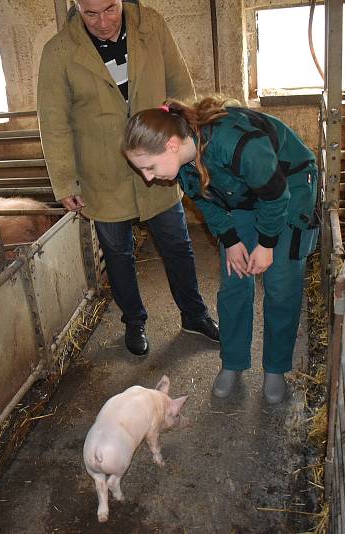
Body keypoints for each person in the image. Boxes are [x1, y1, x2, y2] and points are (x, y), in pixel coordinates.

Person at [37, 0, 219, 357]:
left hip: (158, 159)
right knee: (117, 253)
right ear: (76, 7)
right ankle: (134, 320)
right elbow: (53, 123)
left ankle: (194, 314)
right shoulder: (58, 52)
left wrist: (188, 144)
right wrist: (65, 180)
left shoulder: (151, 25)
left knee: (177, 244)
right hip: (101, 170)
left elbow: (179, 85)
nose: (102, 22)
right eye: (90, 14)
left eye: (110, 8)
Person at [122, 97, 319, 402]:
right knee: (234, 280)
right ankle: (233, 361)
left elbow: (275, 194)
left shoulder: (235, 143)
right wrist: (231, 240)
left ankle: (275, 368)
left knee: (281, 282)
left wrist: (266, 244)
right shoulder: (183, 165)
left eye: (148, 167)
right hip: (242, 194)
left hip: (287, 188)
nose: (148, 178)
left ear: (172, 145)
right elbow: (204, 200)